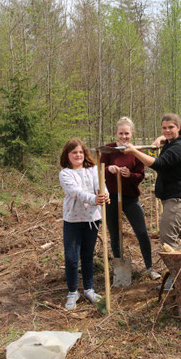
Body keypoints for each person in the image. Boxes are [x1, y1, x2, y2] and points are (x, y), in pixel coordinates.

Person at [122, 114, 181, 289]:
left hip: (179, 199)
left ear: (179, 127)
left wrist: (134, 151)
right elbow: (167, 139)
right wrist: (161, 138)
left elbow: (158, 164)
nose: (167, 131)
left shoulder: (180, 148)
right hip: (175, 197)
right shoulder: (175, 141)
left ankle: (177, 279)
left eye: (171, 127)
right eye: (164, 128)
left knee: (167, 239)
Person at [100, 117, 161, 281]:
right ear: (116, 133)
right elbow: (99, 171)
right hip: (111, 198)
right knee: (115, 233)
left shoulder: (136, 151)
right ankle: (119, 267)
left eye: (127, 133)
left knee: (141, 232)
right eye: (121, 133)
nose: (124, 137)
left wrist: (130, 175)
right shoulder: (108, 150)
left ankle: (149, 267)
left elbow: (140, 175)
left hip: (130, 198)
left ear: (131, 134)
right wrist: (109, 169)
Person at [59, 138, 109, 310]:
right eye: (74, 152)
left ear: (84, 153)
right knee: (72, 259)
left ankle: (89, 289)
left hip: (92, 219)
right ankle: (73, 291)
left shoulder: (93, 170)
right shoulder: (65, 173)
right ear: (68, 155)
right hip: (73, 220)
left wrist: (105, 195)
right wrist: (94, 198)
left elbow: (101, 186)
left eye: (80, 152)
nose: (78, 155)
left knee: (87, 256)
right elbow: (75, 192)